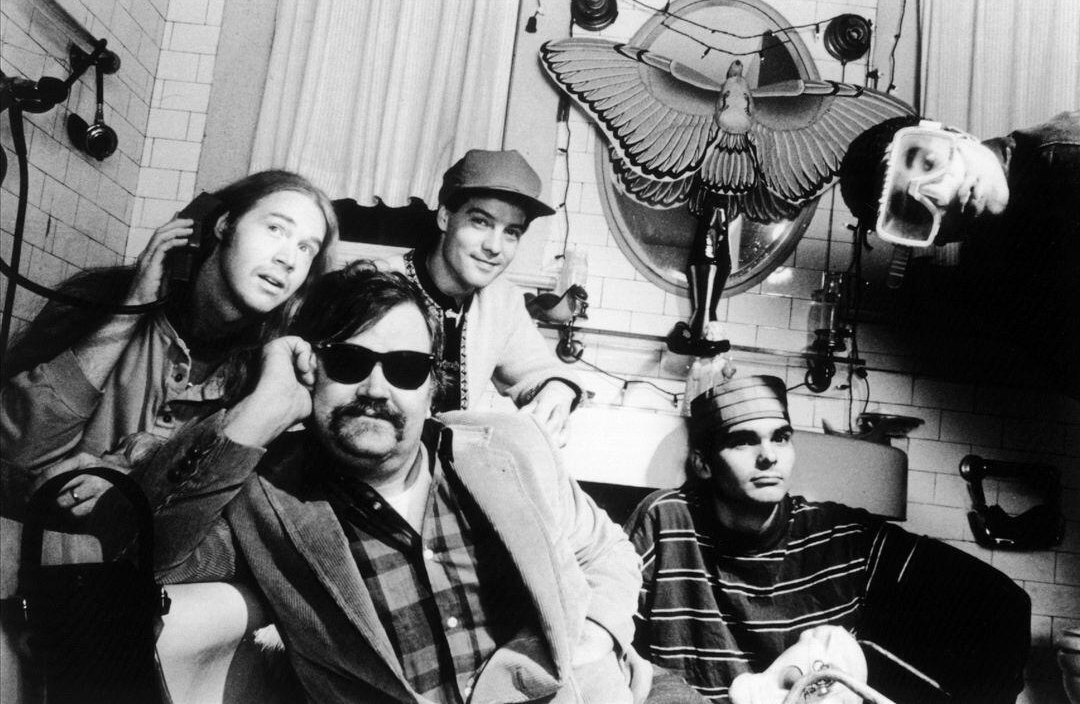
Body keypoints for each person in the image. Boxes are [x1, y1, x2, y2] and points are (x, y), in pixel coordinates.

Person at [132, 263, 708, 704]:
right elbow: (137, 552)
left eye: (406, 368)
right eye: (349, 362)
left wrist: (594, 641)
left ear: (434, 386)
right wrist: (261, 409)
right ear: (310, 368)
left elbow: (606, 550)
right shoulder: (263, 502)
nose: (376, 390)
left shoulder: (512, 447)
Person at [626, 375, 1031, 704]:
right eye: (744, 440)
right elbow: (611, 643)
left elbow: (1003, 603)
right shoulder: (665, 520)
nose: (769, 456)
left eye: (781, 437)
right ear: (703, 463)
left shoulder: (842, 536)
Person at [0, 170, 338, 508]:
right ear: (223, 225)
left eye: (306, 248)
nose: (288, 259)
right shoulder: (98, 298)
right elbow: (16, 452)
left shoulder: (273, 373)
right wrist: (130, 308)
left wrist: (141, 479)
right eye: (276, 228)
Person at [839, 111, 1080, 398]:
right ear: (937, 239)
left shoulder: (1065, 156)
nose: (942, 197)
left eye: (928, 163)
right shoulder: (992, 274)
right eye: (915, 211)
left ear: (957, 135)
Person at [381, 149, 582, 444]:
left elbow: (539, 369)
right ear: (445, 217)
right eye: (481, 222)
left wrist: (558, 390)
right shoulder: (377, 282)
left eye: (511, 232)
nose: (494, 247)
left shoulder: (502, 301)